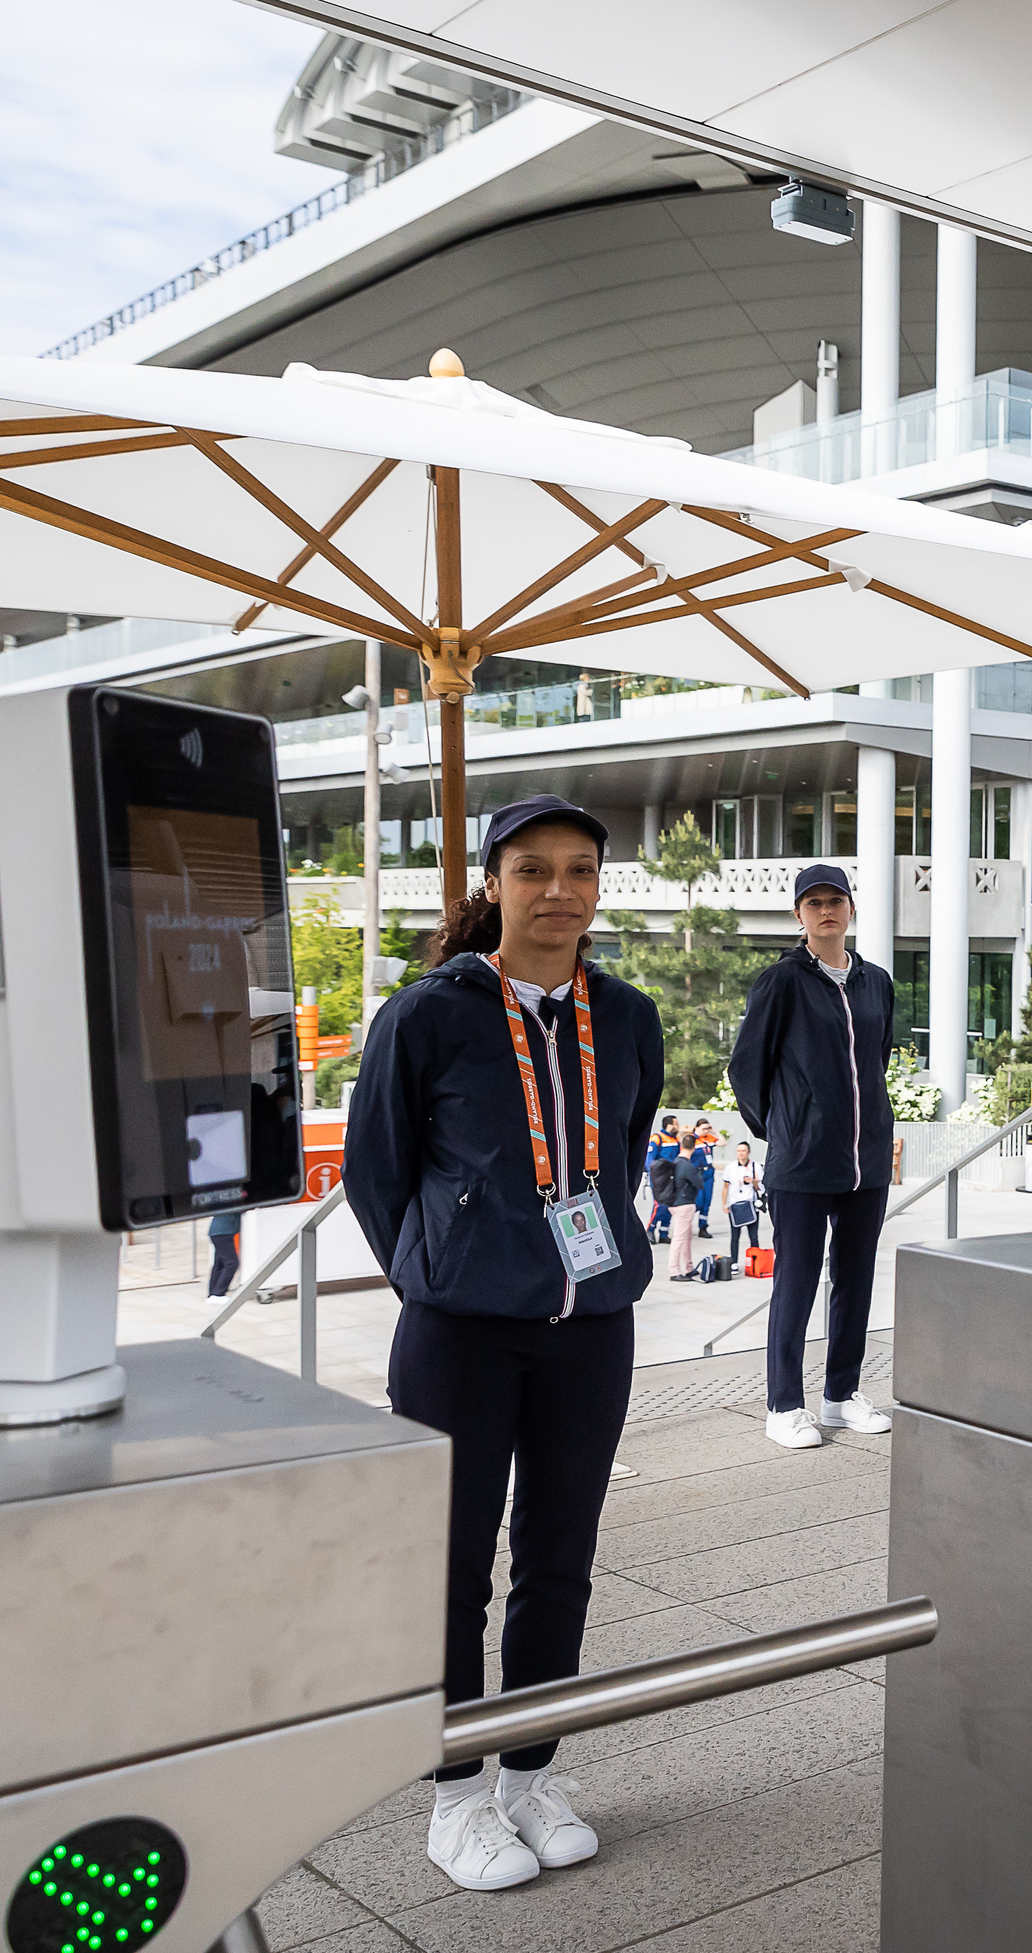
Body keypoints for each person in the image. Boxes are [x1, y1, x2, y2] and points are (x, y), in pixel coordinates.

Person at [344, 794, 663, 1895]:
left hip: (592, 1328)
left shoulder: (627, 1014)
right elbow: (376, 1172)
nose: (559, 890)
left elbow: (620, 1154)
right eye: (533, 869)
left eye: (581, 869)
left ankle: (530, 1775)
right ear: (494, 883)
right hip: (459, 1336)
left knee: (559, 1560)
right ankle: (453, 1797)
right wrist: (447, 1268)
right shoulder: (428, 1014)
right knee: (450, 1568)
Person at [728, 863, 898, 1450]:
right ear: (798, 915)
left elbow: (876, 1059)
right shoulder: (781, 982)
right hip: (801, 1163)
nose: (826, 911)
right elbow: (747, 1067)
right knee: (796, 1282)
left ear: (851, 908)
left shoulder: (876, 982)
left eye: (835, 901)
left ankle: (841, 1396)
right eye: (814, 903)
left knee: (855, 1280)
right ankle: (784, 1405)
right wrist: (784, 1128)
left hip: (866, 1162)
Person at [663, 1120, 706, 1281]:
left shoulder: (675, 1162)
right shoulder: (687, 1165)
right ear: (693, 1147)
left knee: (686, 1238)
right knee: (679, 1238)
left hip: (676, 1203)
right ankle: (674, 1271)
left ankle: (688, 1267)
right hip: (684, 1204)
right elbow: (699, 1184)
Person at [724, 1137, 763, 1265]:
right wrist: (724, 1204)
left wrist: (753, 1181)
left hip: (750, 1204)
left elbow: (762, 1188)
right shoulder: (730, 1167)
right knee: (735, 1236)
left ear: (748, 1152)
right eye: (739, 1151)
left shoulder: (756, 1167)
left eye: (743, 1151)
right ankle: (734, 1262)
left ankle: (755, 1262)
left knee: (753, 1236)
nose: (741, 1153)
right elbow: (725, 1187)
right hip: (735, 1204)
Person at [204, 1210, 242, 1299]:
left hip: (217, 1231)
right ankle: (218, 1293)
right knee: (231, 1263)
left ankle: (213, 1293)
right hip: (225, 1232)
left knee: (220, 1263)